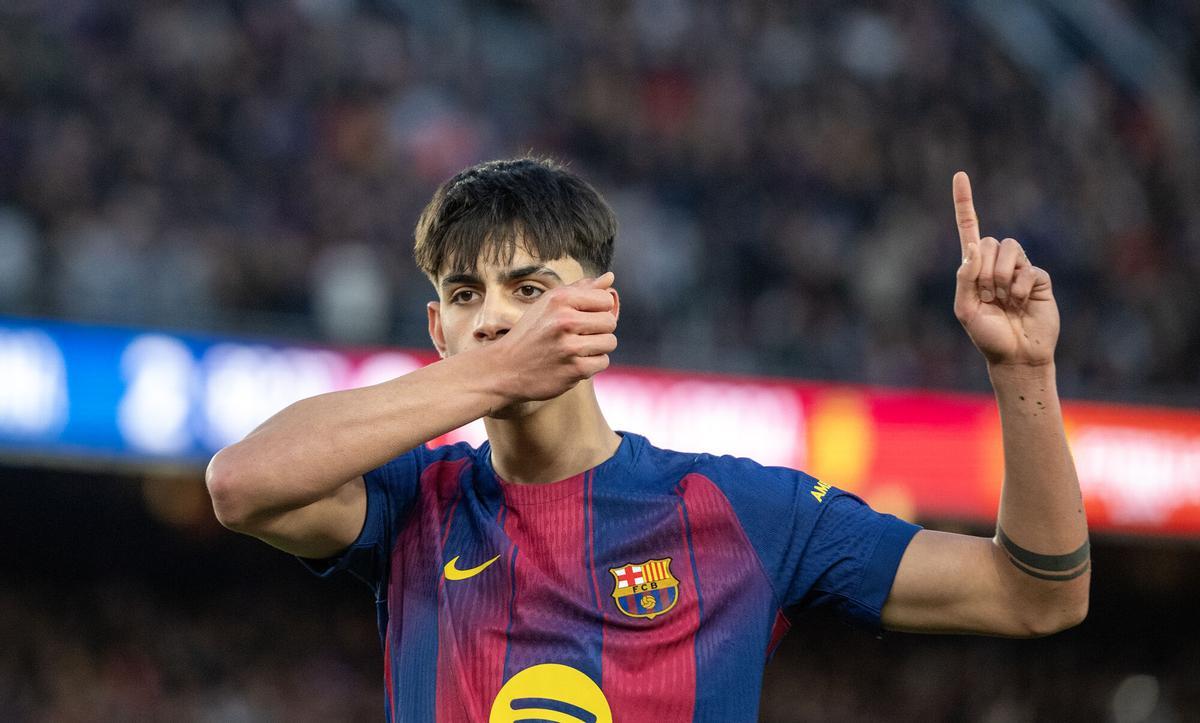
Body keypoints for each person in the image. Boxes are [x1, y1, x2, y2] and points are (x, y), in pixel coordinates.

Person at [205, 158, 1089, 722]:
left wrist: (1025, 372)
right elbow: (240, 483)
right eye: (467, 296)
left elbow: (1036, 595)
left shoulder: (742, 512)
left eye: (529, 287)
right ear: (437, 329)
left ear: (602, 309)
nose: (496, 317)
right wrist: (496, 373)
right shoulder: (412, 503)